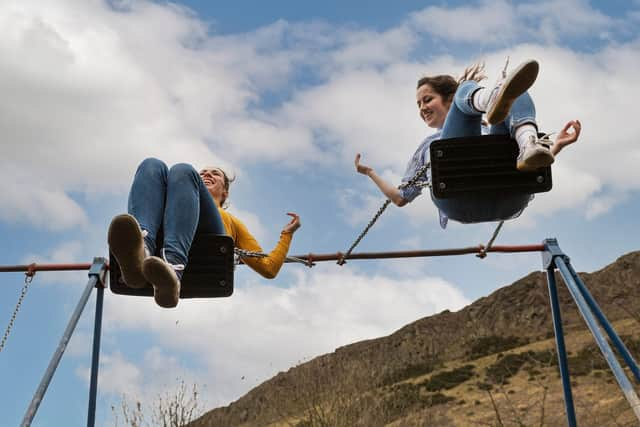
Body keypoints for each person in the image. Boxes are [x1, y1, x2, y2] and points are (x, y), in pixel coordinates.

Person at [355, 59, 581, 228]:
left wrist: (556, 146)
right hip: (460, 201)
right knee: (478, 88)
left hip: (509, 196)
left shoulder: (496, 127)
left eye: (427, 99)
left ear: (449, 100)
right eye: (418, 104)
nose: (422, 108)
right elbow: (400, 197)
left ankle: (527, 142)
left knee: (511, 90)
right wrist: (370, 172)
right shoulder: (428, 147)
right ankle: (492, 98)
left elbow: (535, 166)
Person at [108, 158, 301, 308]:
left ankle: (173, 271)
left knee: (182, 170)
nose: (207, 175)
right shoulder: (169, 206)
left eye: (215, 174)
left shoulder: (231, 221)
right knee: (151, 165)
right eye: (203, 173)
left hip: (208, 237)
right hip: (163, 238)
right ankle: (140, 258)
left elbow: (268, 268)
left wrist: (286, 235)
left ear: (225, 192)